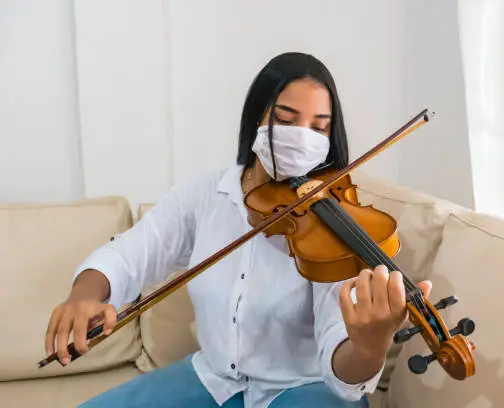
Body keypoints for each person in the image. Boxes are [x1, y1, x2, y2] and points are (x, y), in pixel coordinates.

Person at [44, 52, 432, 408]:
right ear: (257, 118)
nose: (301, 137)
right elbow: (132, 253)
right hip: (214, 381)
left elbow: (343, 371)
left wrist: (369, 346)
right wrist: (86, 294)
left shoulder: (335, 221)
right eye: (285, 119)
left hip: (305, 389)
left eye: (319, 127)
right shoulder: (206, 194)